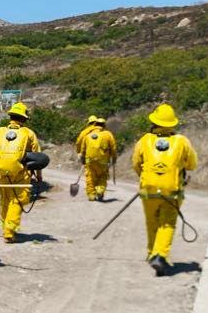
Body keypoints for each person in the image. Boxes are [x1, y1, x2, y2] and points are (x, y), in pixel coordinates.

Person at [131, 103, 198, 276]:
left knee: (152, 222)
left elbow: (136, 164)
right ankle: (159, 255)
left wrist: (145, 178)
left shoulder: (144, 140)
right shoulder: (182, 141)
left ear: (154, 122)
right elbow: (192, 164)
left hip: (148, 190)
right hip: (172, 191)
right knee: (167, 223)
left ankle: (151, 254)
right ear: (172, 124)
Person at [0, 102, 40, 243]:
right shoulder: (29, 133)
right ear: (23, 119)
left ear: (11, 116)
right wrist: (39, 176)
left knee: (6, 199)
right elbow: (38, 157)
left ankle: (5, 226)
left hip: (1, 171)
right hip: (20, 173)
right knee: (18, 200)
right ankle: (9, 231)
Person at [75, 116, 117, 201]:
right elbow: (113, 148)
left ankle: (91, 195)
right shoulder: (108, 134)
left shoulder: (87, 135)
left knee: (90, 177)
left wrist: (82, 157)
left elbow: (82, 148)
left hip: (89, 160)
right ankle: (100, 190)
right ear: (104, 125)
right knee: (102, 176)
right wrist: (114, 158)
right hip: (103, 161)